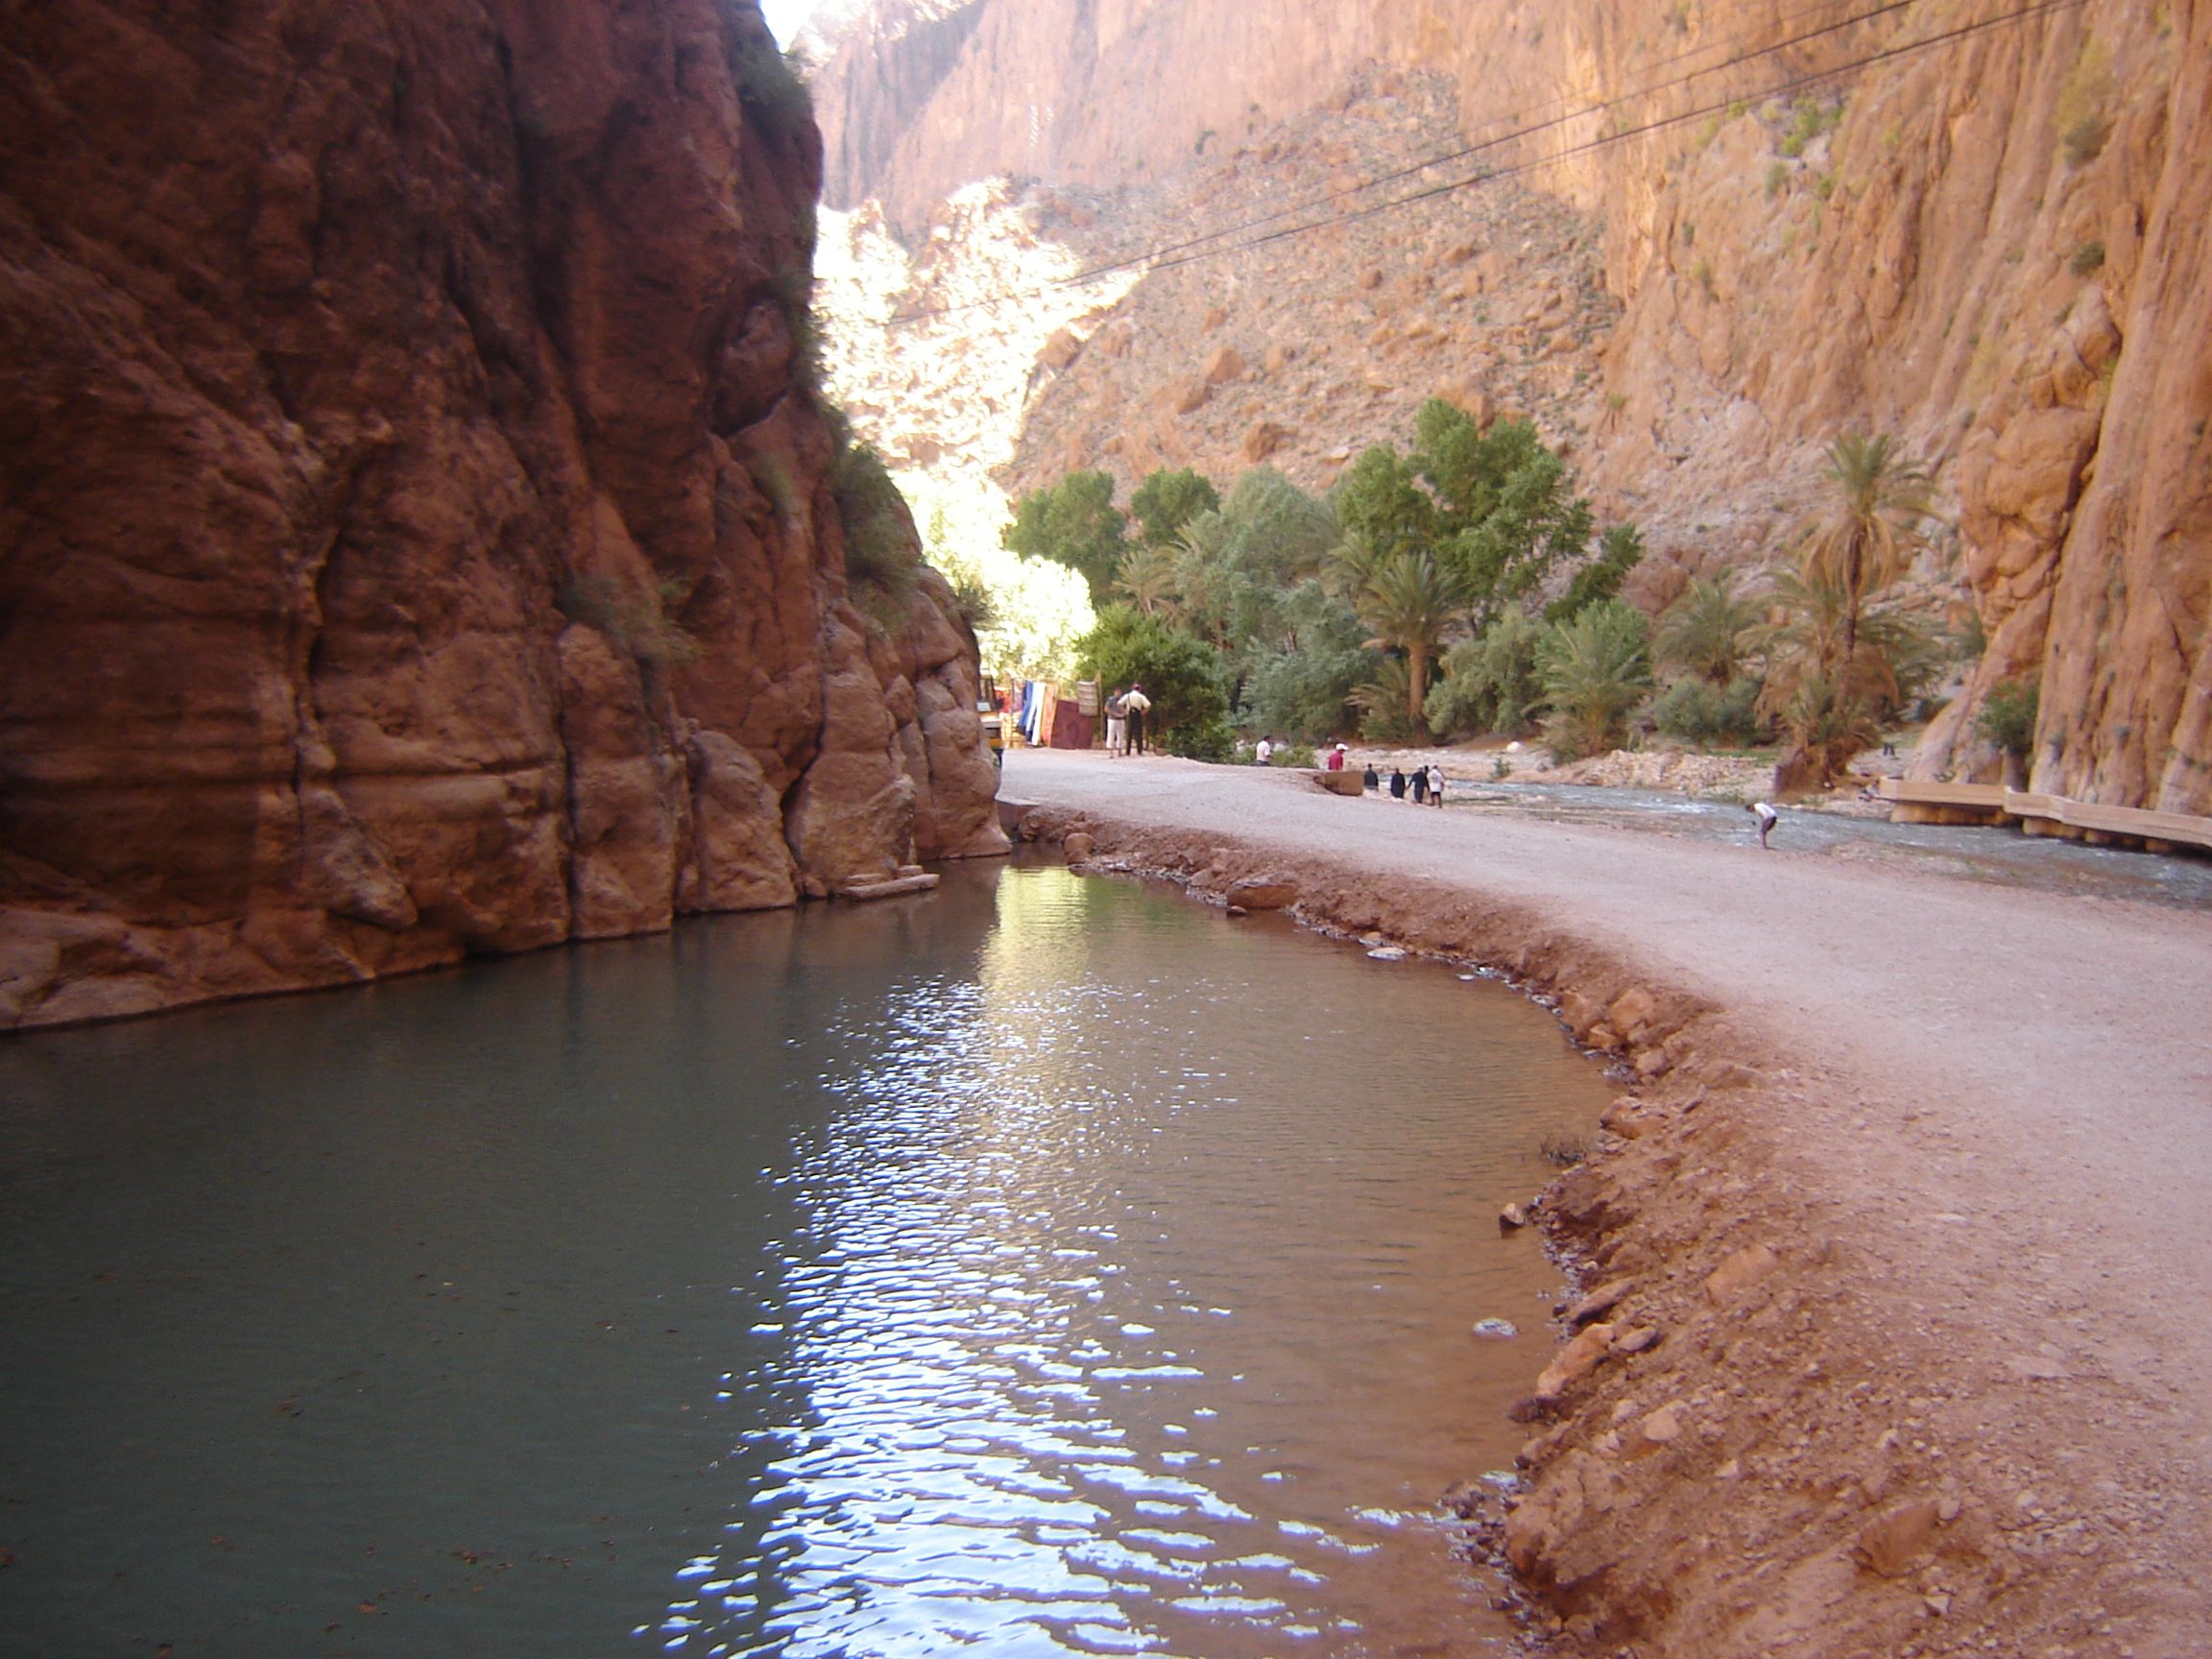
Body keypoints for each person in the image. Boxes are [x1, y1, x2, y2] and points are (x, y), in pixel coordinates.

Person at [1123, 684, 1151, 756]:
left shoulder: (1128, 695)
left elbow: (1119, 703)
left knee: (1129, 733)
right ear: (1139, 689)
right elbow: (1148, 705)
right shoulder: (1141, 696)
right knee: (1138, 733)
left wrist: (1125, 711)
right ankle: (1139, 751)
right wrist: (1143, 712)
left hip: (1129, 714)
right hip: (1138, 714)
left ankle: (1127, 751)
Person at [1105, 689, 1127, 757]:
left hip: (1121, 719)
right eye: (1117, 692)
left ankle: (1119, 751)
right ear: (1114, 693)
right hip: (1112, 719)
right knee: (1111, 734)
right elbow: (1106, 709)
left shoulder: (1123, 700)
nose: (1118, 694)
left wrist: (1124, 713)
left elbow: (1126, 708)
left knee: (1121, 735)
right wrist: (1115, 714)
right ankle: (1110, 752)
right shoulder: (1110, 700)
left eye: (1119, 692)